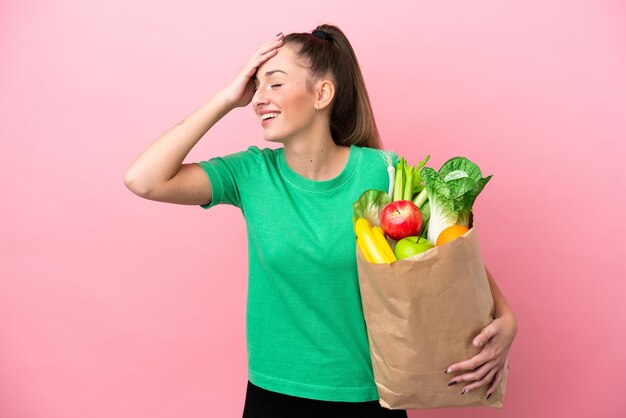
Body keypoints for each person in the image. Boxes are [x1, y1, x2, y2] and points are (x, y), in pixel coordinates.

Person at [124, 24, 518, 418]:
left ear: (322, 94)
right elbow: (143, 179)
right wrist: (226, 99)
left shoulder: (384, 172)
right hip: (273, 396)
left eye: (274, 84)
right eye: (254, 85)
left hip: (369, 396)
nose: (258, 98)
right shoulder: (250, 174)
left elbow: (445, 255)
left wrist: (507, 318)